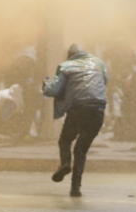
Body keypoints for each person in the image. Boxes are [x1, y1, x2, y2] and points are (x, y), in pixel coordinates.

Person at [42, 44, 108, 197]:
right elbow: (104, 82)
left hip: (78, 109)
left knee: (65, 140)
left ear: (69, 55)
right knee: (81, 150)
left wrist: (46, 84)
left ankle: (65, 163)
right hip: (98, 109)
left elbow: (54, 90)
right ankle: (75, 188)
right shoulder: (98, 63)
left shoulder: (66, 66)